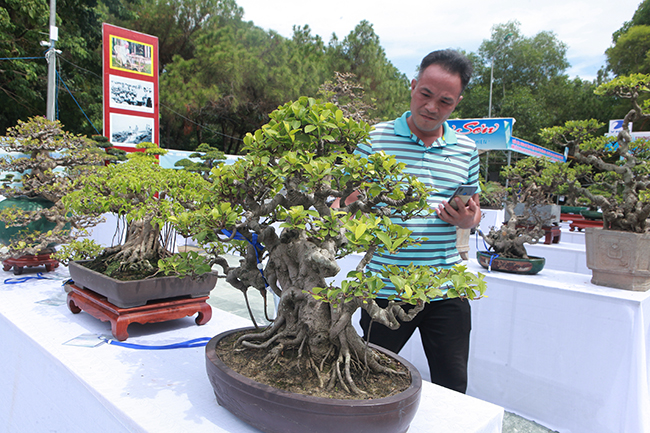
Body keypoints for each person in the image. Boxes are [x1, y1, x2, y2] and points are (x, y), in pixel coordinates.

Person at [355, 49, 481, 393]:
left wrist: (467, 217)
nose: (431, 107)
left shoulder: (466, 148)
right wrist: (348, 204)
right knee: (367, 378)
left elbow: (476, 212)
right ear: (412, 85)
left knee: (453, 383)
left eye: (445, 101)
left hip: (447, 286)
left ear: (456, 103)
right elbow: (344, 200)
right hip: (385, 285)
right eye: (425, 94)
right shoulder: (373, 139)